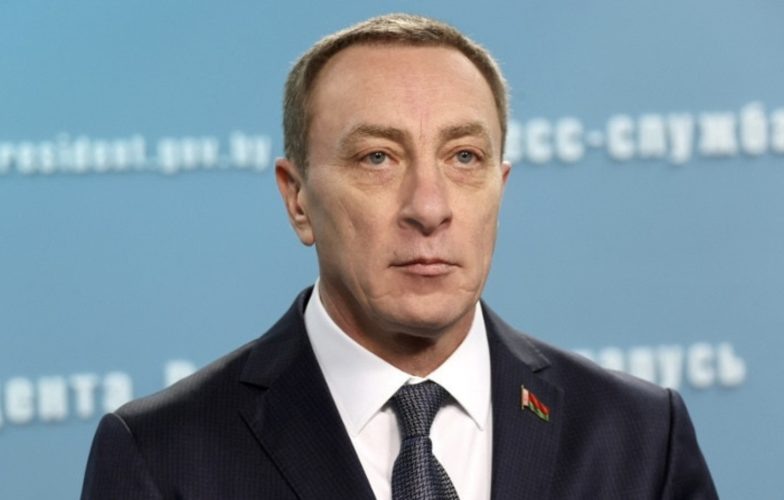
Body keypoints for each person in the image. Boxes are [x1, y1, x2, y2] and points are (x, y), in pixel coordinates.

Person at [81, 13, 718, 500]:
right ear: (297, 198)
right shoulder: (162, 455)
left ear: (500, 187)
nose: (429, 207)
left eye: (464, 157)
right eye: (377, 158)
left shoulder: (639, 436)